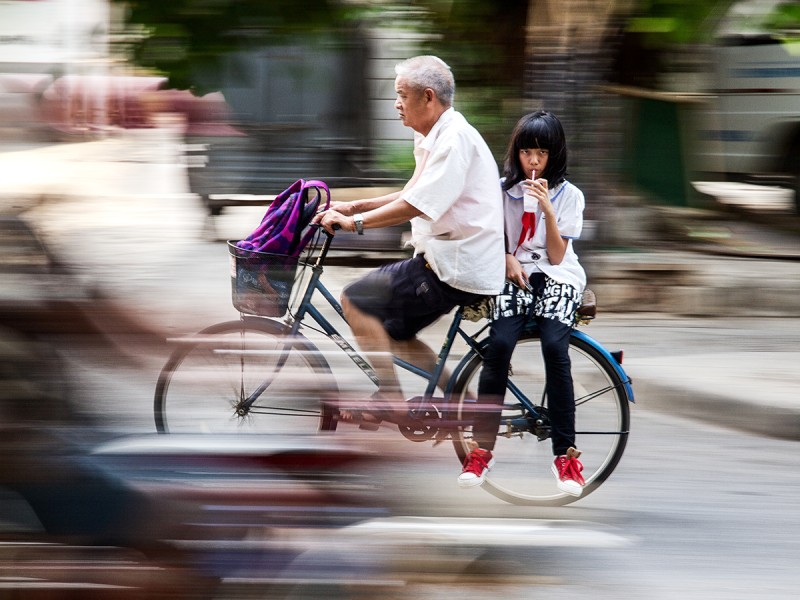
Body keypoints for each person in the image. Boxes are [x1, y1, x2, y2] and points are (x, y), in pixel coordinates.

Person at [315, 55, 506, 428]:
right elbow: (413, 192)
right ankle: (465, 404)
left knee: (354, 299)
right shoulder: (436, 134)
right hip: (450, 260)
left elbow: (416, 205)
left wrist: (353, 222)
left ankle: (390, 398)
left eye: (402, 95)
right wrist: (355, 204)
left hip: (452, 266)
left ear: (428, 97)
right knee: (388, 334)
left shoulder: (453, 140)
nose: (396, 104)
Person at [457, 111, 588, 496]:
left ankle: (566, 456)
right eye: (527, 151)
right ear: (516, 153)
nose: (533, 161)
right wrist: (506, 256)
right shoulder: (500, 191)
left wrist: (547, 208)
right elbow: (488, 236)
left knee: (554, 347)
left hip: (558, 274)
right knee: (498, 346)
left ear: (554, 156)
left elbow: (558, 255)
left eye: (541, 153)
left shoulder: (570, 196)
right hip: (512, 274)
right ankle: (481, 450)